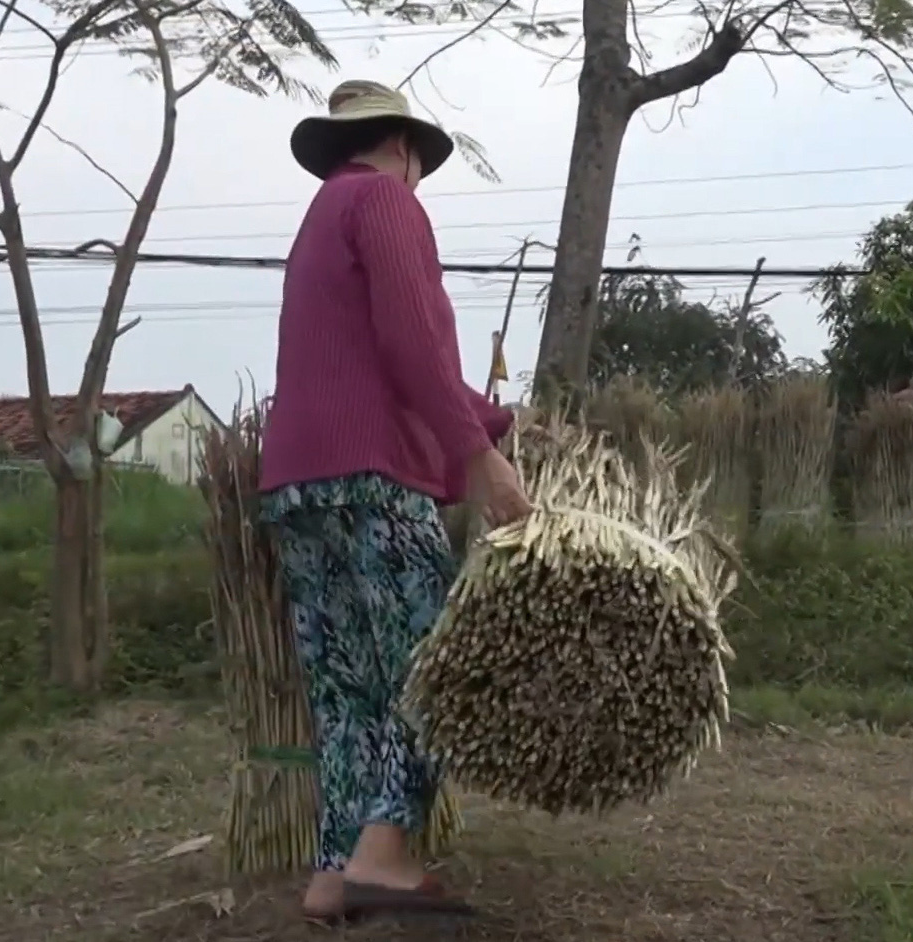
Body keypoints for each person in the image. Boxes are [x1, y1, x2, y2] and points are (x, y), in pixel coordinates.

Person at [259, 79, 532, 922]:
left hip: (297, 485)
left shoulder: (320, 220)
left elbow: (371, 357)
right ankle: (385, 857)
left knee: (348, 690)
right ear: (407, 147)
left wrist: (493, 417)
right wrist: (479, 454)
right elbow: (411, 339)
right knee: (442, 674)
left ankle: (333, 872)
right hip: (375, 478)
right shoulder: (387, 202)